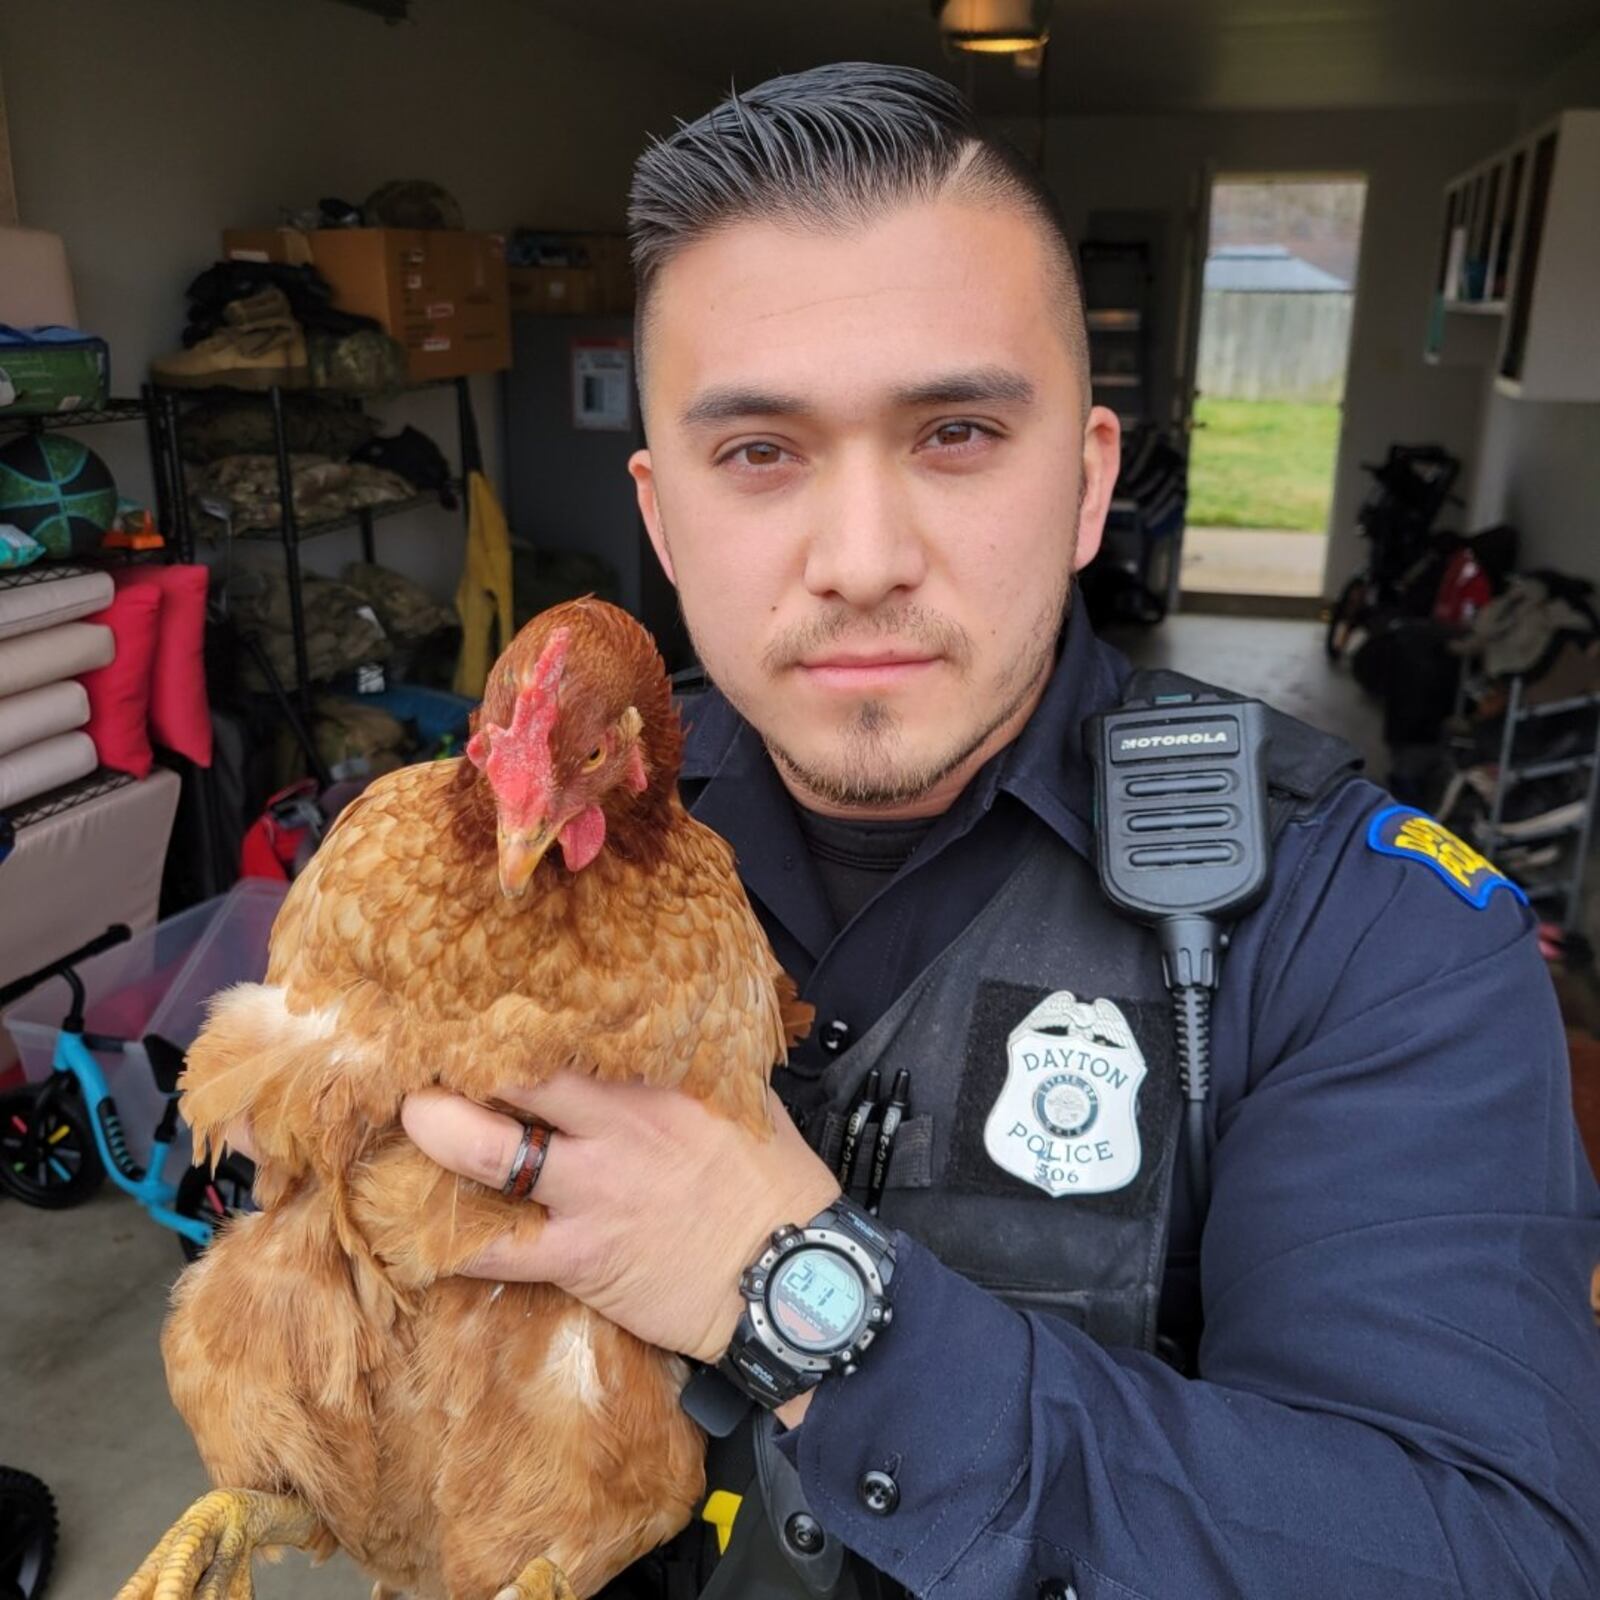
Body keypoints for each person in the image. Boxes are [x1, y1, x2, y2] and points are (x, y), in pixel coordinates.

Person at [402, 63, 1600, 1599]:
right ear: (663, 517)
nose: (860, 558)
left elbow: (1479, 1556)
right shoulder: (517, 854)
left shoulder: (1371, 936)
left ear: (1090, 482)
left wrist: (791, 1293)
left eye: (956, 433)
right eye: (759, 453)